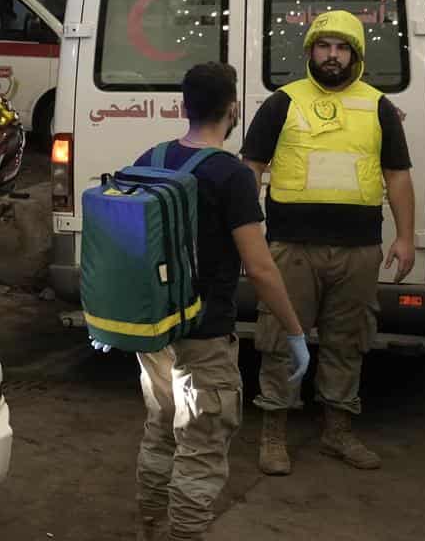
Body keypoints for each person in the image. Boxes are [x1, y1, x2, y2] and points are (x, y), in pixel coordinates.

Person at [94, 63, 309, 541]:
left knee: (161, 431)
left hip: (156, 331)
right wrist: (295, 331)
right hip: (206, 334)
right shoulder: (232, 175)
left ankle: (149, 528)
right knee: (202, 448)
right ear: (233, 109)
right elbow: (259, 267)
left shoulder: (154, 155)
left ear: (182, 107)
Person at [241, 10, 416, 476]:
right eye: (324, 46)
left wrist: (406, 236)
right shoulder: (282, 102)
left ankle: (337, 432)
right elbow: (250, 168)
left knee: (347, 342)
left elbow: (397, 176)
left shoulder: (378, 105)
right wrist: (245, 232)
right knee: (280, 339)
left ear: (355, 54)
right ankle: (273, 432)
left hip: (358, 250)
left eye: (341, 47)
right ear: (310, 52)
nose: (332, 56)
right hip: (290, 247)